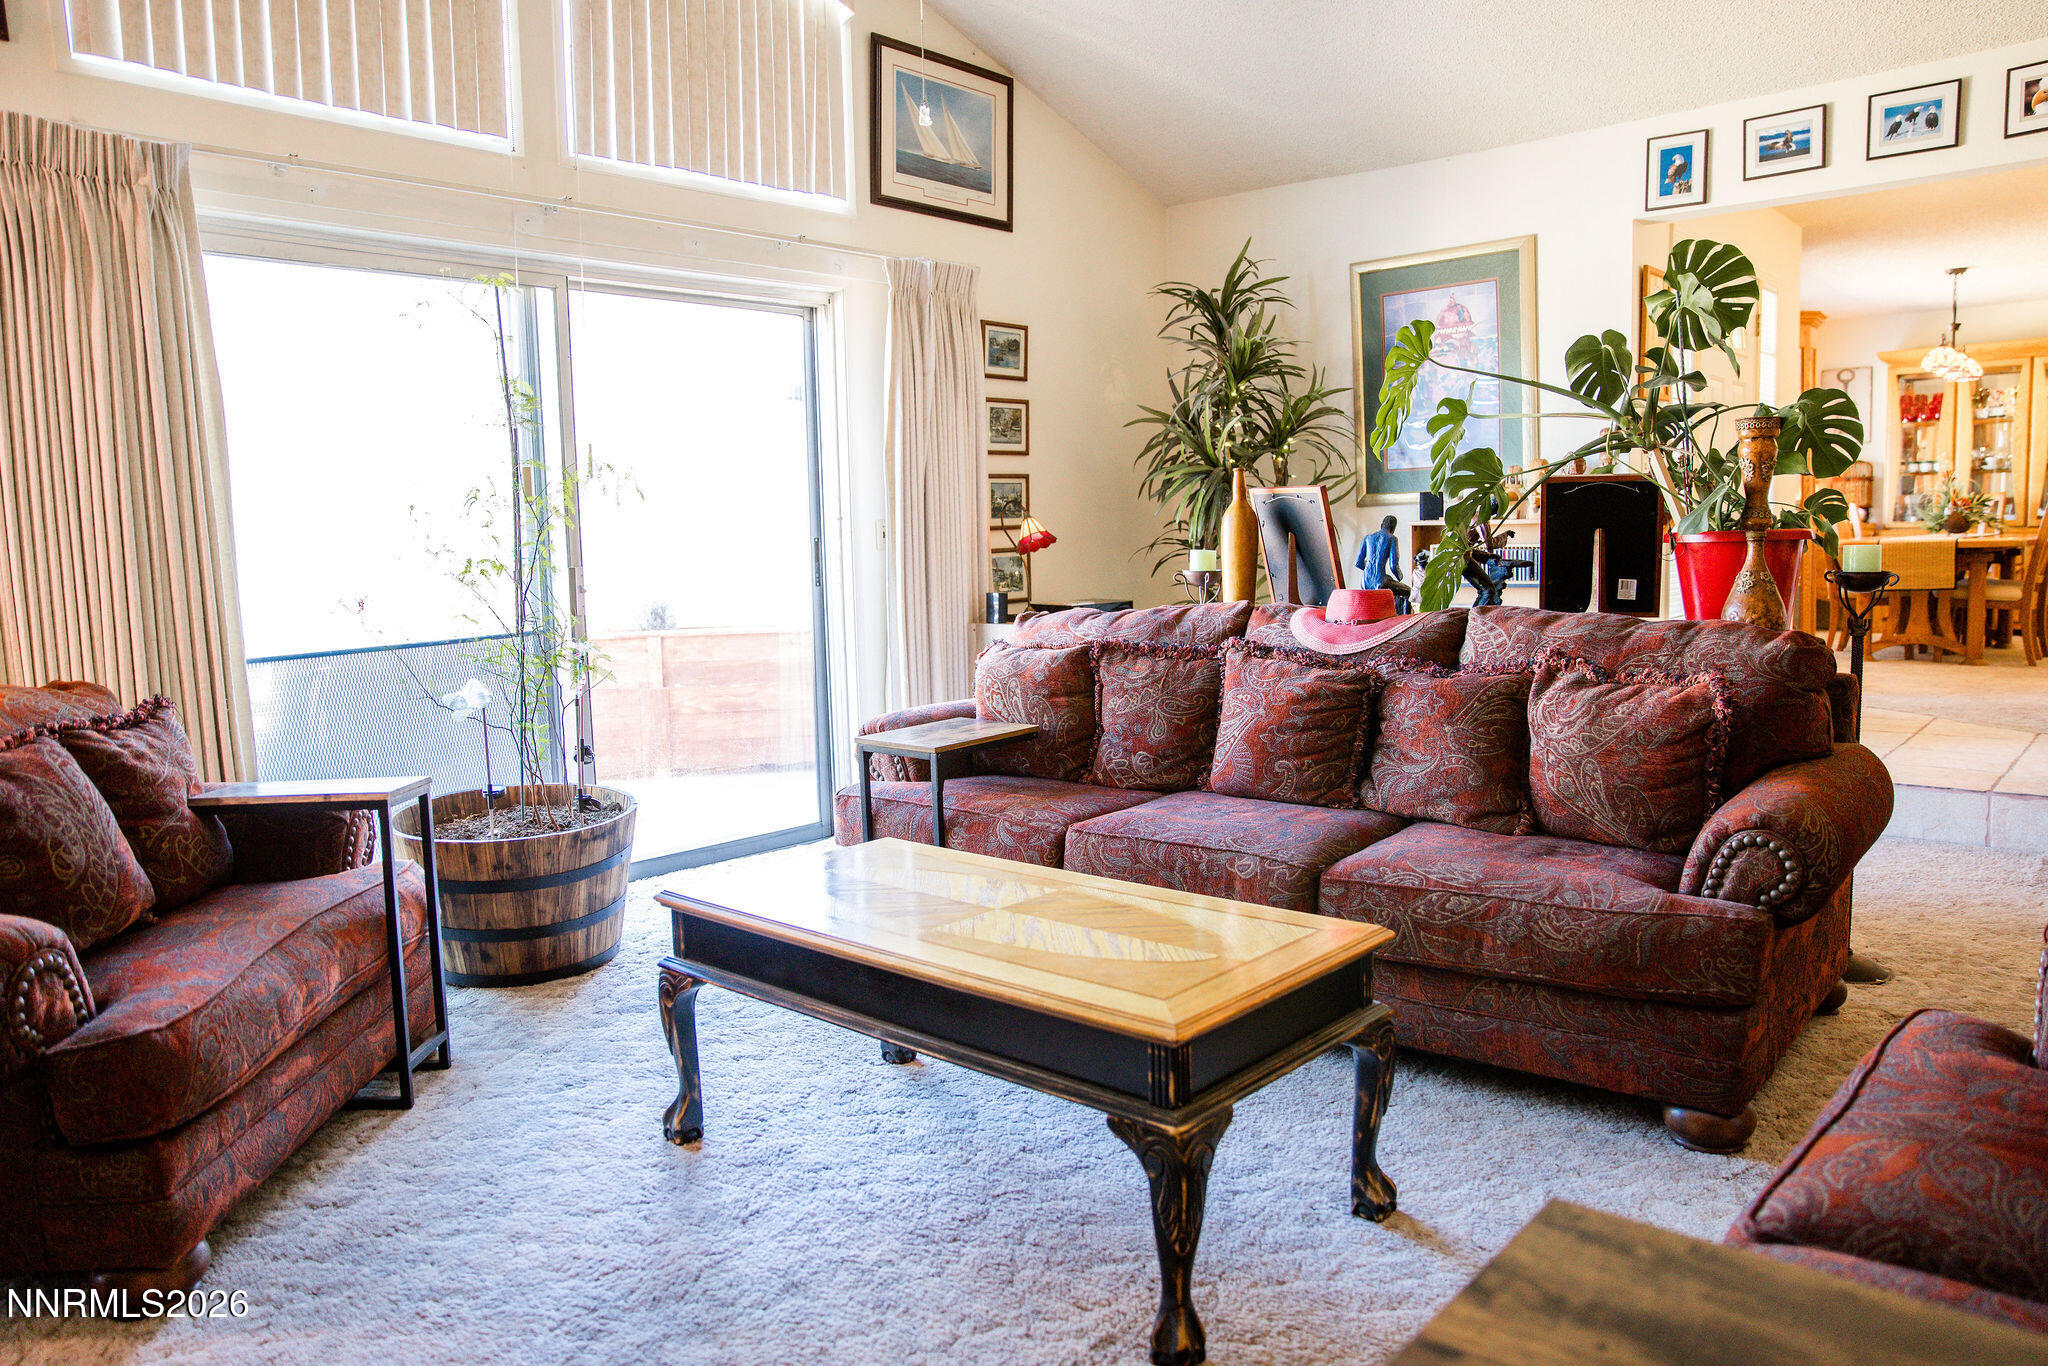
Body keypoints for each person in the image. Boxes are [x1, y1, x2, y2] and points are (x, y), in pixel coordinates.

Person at [1354, 515, 1412, 614]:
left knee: (1389, 581)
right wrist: (1400, 577)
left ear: (1381, 525)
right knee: (1409, 592)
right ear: (1393, 528)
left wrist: (1370, 570)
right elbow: (1393, 565)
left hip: (1365, 583)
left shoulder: (1368, 538)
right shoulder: (1392, 538)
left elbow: (1358, 563)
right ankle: (1403, 621)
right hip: (1380, 582)